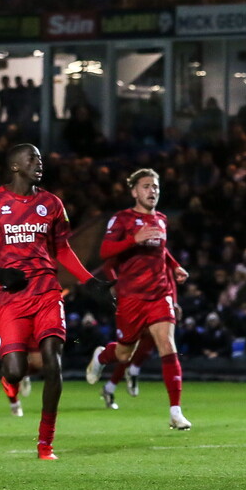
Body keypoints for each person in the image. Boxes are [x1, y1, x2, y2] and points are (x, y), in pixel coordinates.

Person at [0, 143, 112, 459]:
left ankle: (45, 443)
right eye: (32, 158)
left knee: (52, 361)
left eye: (41, 158)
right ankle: (11, 383)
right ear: (15, 166)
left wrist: (90, 281)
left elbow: (62, 250)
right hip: (11, 296)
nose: (39, 162)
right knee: (15, 369)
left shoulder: (52, 204)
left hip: (47, 291)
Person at [85, 168, 192, 430]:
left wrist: (175, 266)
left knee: (167, 345)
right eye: (146, 186)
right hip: (131, 297)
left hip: (160, 293)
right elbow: (105, 251)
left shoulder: (162, 220)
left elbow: (161, 250)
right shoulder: (121, 219)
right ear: (134, 191)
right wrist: (133, 239)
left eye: (155, 186)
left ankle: (175, 412)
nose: (152, 191)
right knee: (124, 353)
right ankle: (101, 357)